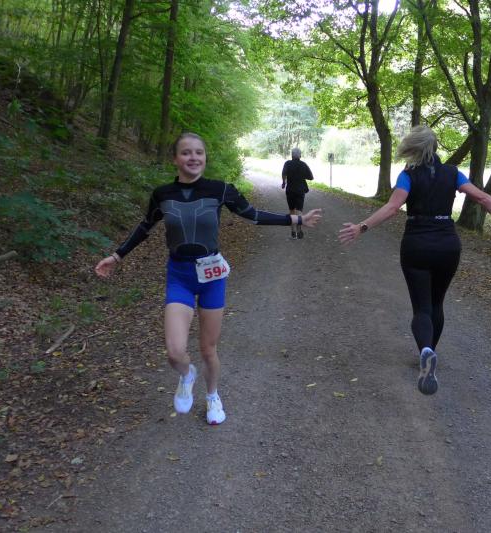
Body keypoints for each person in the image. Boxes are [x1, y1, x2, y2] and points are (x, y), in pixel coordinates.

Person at [95, 132, 322, 425]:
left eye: (198, 152)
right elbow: (145, 227)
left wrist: (297, 219)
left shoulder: (220, 189)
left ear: (205, 157)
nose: (193, 157)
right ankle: (186, 375)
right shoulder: (162, 194)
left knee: (207, 349)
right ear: (175, 158)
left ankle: (213, 396)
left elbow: (253, 215)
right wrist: (116, 257)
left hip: (212, 275)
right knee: (175, 352)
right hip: (180, 275)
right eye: (186, 152)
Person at [338, 125, 491, 395]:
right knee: (437, 302)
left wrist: (361, 227)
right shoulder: (453, 173)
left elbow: (393, 207)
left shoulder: (408, 176)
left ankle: (425, 350)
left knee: (422, 308)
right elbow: (482, 198)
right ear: (434, 148)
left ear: (414, 148)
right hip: (448, 246)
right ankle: (430, 351)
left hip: (417, 246)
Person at [281, 148, 314, 239]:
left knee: (291, 210)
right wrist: (302, 175)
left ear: (291, 155)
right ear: (300, 155)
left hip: (290, 190)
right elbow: (311, 177)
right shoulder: (303, 164)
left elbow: (283, 173)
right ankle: (299, 230)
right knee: (299, 211)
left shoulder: (287, 163)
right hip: (300, 191)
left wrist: (284, 183)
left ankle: (293, 232)